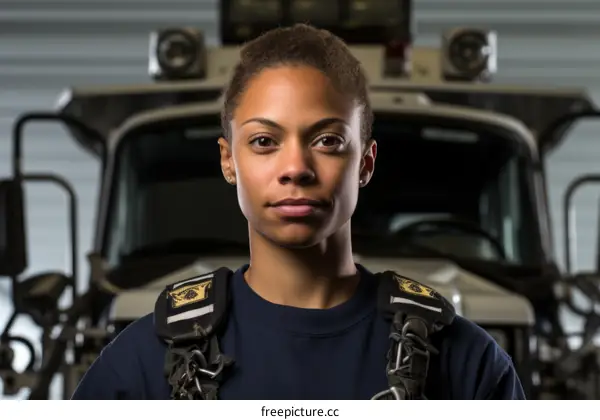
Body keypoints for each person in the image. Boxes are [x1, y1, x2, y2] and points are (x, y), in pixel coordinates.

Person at [71, 23, 525, 400]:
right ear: (229, 161)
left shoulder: (467, 364)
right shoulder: (140, 366)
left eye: (327, 140)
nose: (295, 169)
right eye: (264, 142)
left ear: (365, 163)